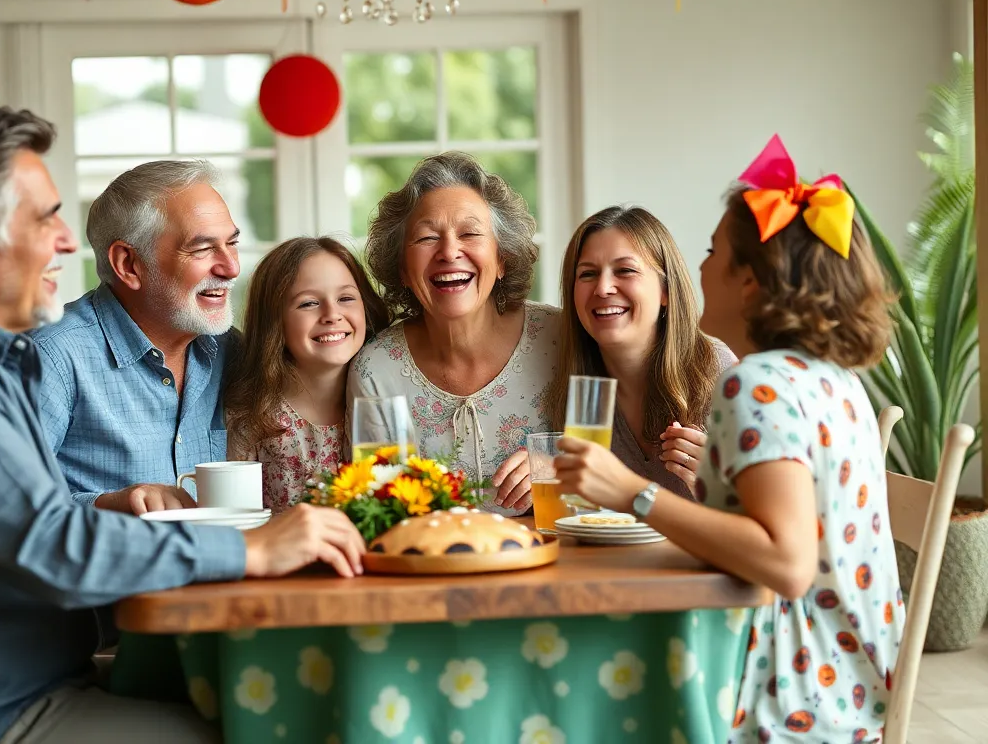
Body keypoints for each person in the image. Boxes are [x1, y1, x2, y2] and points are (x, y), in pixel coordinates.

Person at [0, 107, 366, 744]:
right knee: (278, 730)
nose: (69, 241)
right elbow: (51, 544)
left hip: (28, 686)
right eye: (45, 218)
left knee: (283, 708)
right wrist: (251, 548)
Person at [554, 135, 903, 741]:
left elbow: (786, 564)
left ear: (748, 280)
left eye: (714, 251)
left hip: (785, 699)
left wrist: (633, 492)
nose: (700, 267)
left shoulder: (754, 384)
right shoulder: (833, 378)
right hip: (855, 689)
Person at [347, 152, 560, 515]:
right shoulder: (375, 370)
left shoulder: (560, 337)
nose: (449, 251)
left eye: (470, 233)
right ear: (401, 267)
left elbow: (615, 451)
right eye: (427, 238)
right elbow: (379, 510)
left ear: (502, 257)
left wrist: (565, 463)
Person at [32, 160, 240, 513]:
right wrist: (107, 505)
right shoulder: (51, 357)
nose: (231, 267)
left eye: (232, 243)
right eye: (203, 249)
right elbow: (6, 509)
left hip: (232, 565)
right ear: (128, 264)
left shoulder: (233, 350)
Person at [546, 206, 737, 498]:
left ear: (666, 291)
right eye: (587, 274)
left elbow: (768, 521)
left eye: (625, 270)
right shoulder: (570, 382)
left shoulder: (719, 371)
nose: (603, 288)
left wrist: (722, 489)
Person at [225, 237, 390, 511]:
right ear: (274, 321)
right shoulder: (250, 421)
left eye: (346, 298)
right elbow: (238, 530)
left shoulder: (388, 402)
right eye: (308, 303)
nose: (332, 314)